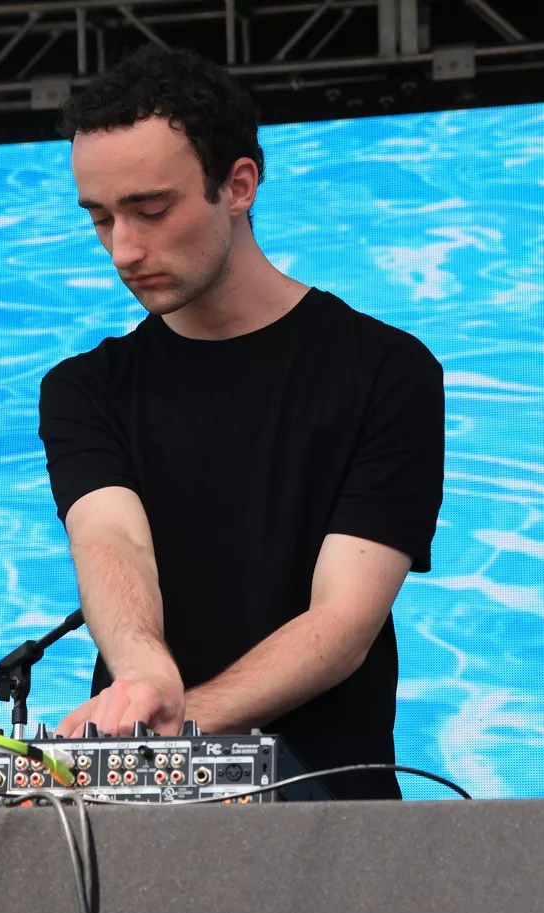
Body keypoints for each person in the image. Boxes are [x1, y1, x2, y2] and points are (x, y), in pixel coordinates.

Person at [39, 45, 444, 799]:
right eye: (100, 218)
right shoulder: (85, 388)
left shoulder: (387, 371)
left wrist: (173, 728)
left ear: (238, 186)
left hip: (332, 815)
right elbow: (111, 539)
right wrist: (143, 672)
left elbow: (340, 626)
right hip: (139, 822)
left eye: (151, 211)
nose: (124, 249)